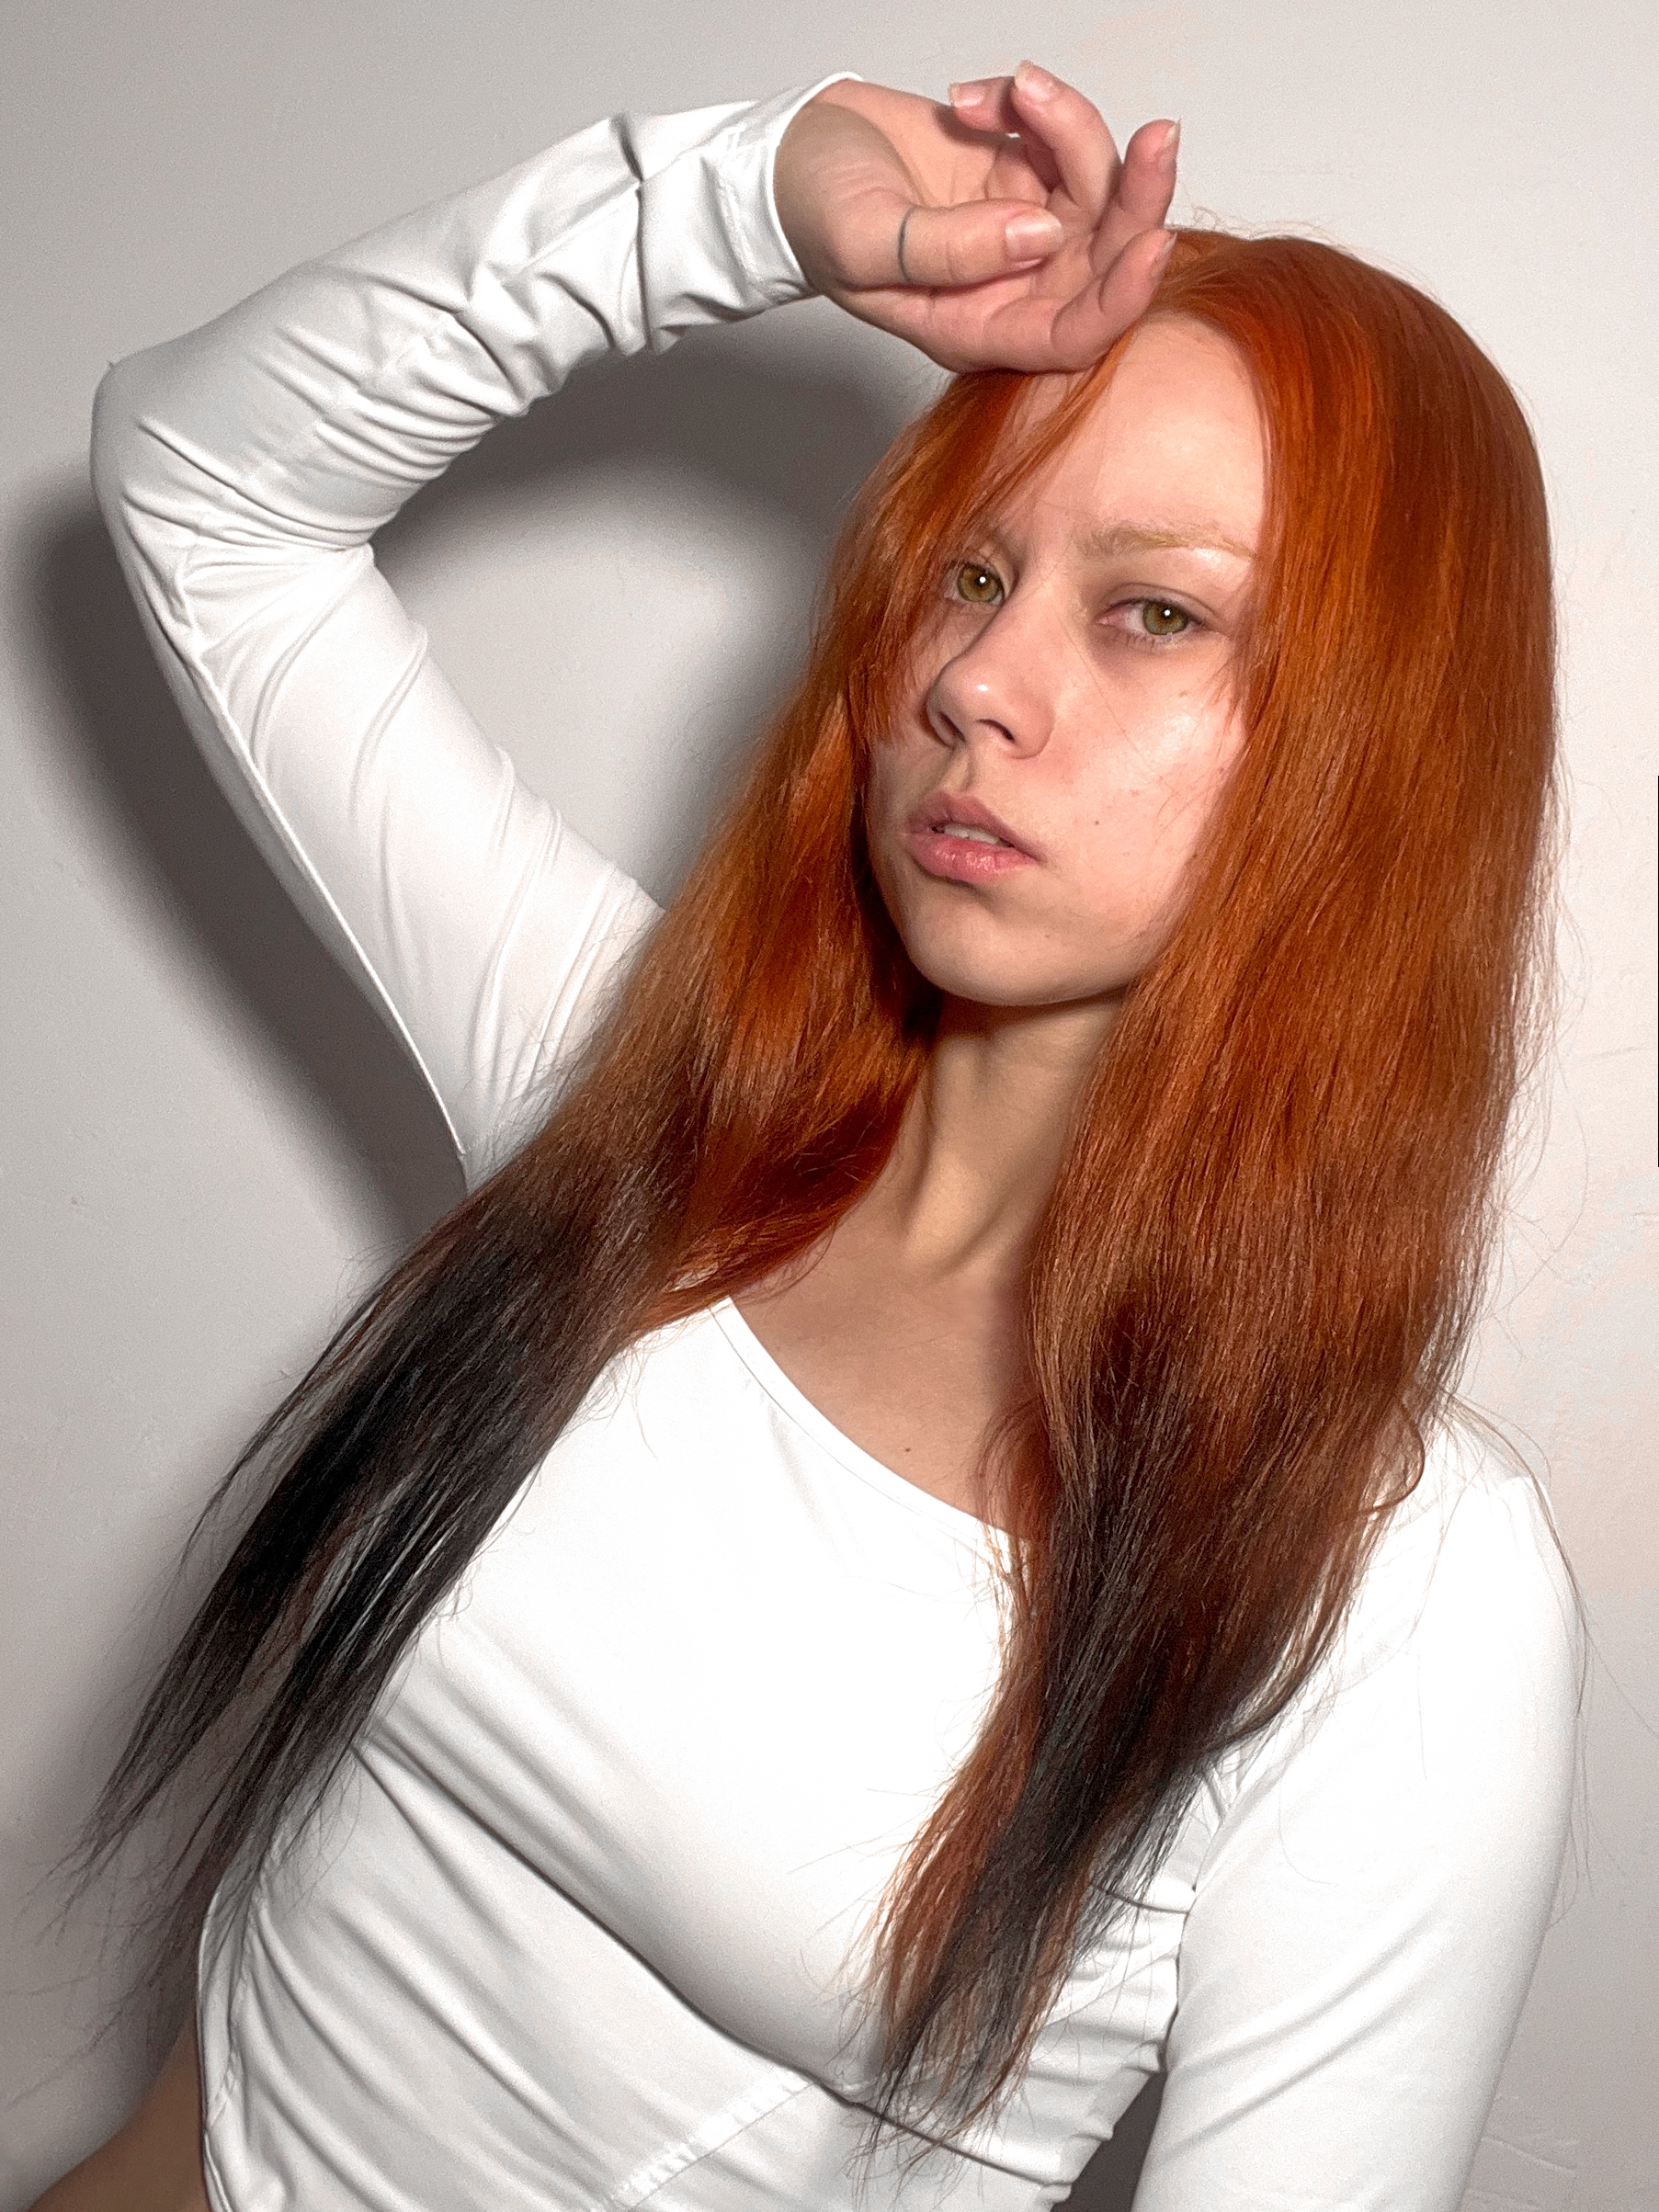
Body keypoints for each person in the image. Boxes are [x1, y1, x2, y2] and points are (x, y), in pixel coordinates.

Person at [36, 60, 1579, 2212]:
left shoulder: (1392, 1595)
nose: (976, 683)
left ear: (1378, 752)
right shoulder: (636, 1099)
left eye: (1152, 610)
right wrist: (748, 200)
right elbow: (200, 477)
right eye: (970, 572)